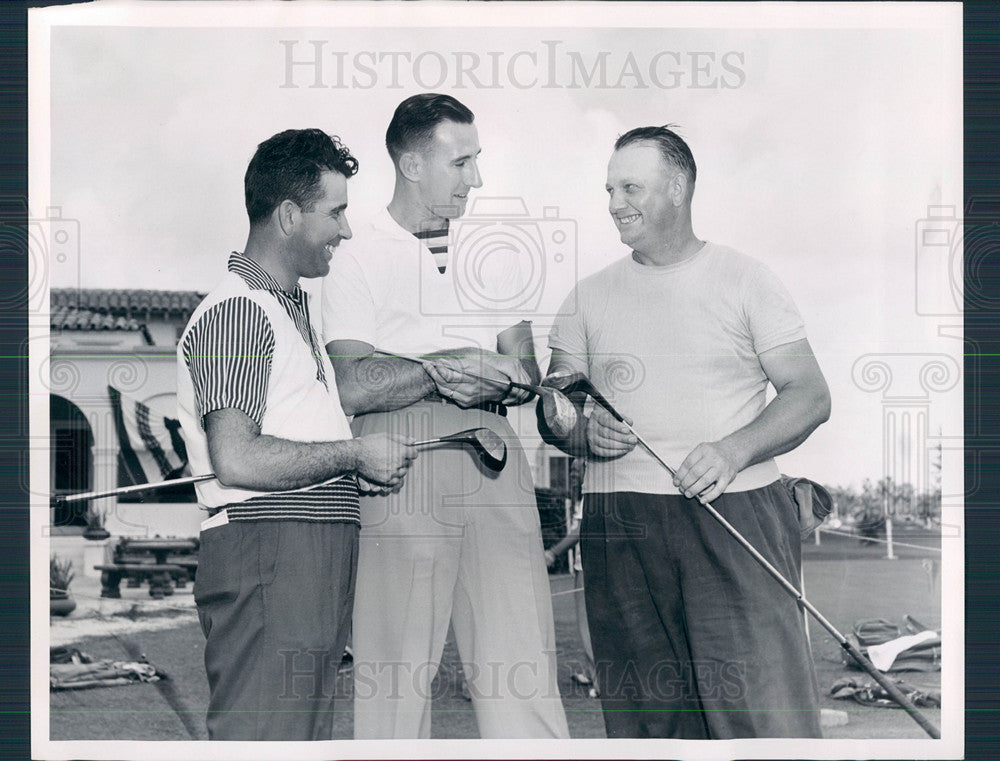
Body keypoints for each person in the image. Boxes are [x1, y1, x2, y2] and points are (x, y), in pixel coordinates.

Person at [539, 125, 831, 739]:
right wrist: (580, 433)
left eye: (631, 187)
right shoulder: (585, 298)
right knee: (648, 720)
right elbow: (556, 408)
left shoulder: (747, 279)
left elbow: (810, 395)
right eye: (609, 189)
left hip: (737, 510)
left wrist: (734, 449)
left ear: (677, 188)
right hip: (620, 520)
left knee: (762, 714)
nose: (615, 203)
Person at [321, 93, 569, 739]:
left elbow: (527, 371)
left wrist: (509, 379)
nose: (475, 178)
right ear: (411, 164)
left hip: (494, 451)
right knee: (396, 666)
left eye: (476, 160)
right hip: (401, 455)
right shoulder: (354, 251)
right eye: (461, 162)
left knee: (521, 657)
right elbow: (351, 384)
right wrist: (438, 367)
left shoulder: (500, 252)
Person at [176, 128, 417, 741]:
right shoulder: (237, 312)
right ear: (288, 215)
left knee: (298, 740)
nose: (347, 229)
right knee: (264, 739)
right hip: (269, 548)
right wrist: (356, 452)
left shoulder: (287, 310)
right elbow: (235, 457)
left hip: (305, 552)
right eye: (335, 212)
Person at [543, 458, 599, 698]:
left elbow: (579, 531)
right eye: (572, 471)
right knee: (586, 624)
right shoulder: (583, 497)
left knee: (588, 624)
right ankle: (591, 672)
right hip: (583, 565)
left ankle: (600, 680)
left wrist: (553, 552)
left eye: (577, 471)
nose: (573, 475)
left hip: (588, 566)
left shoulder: (590, 495)